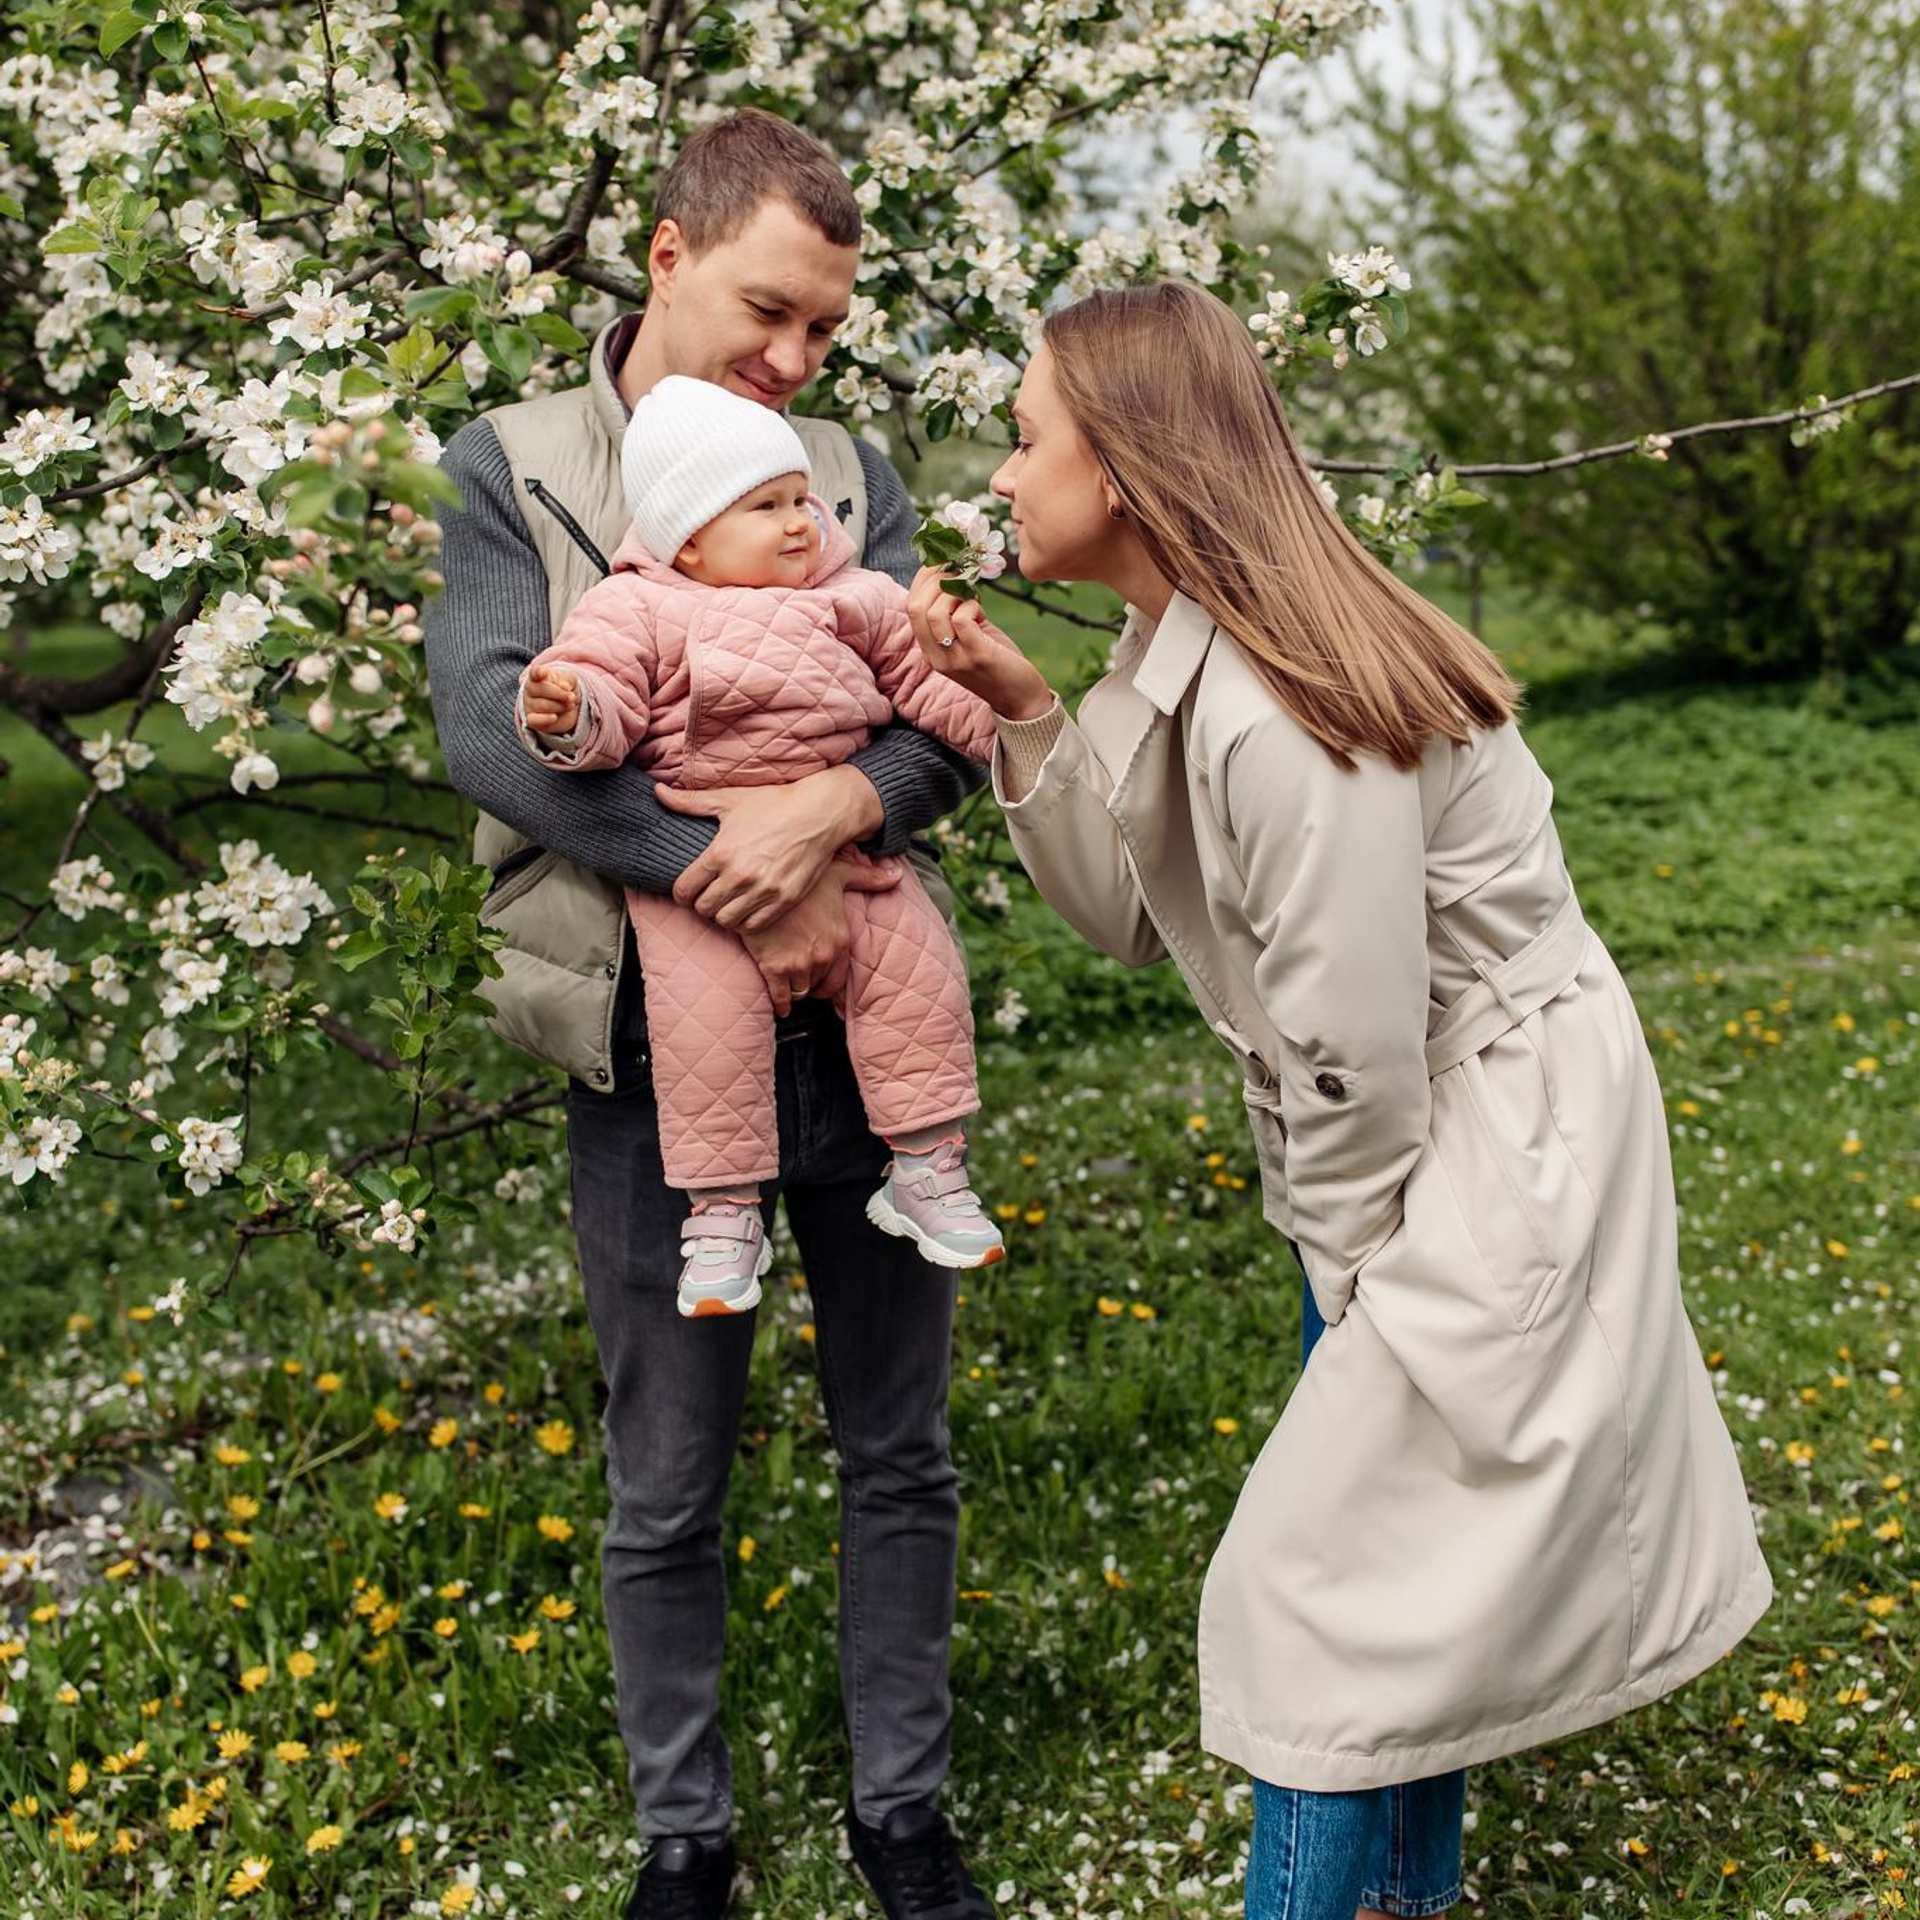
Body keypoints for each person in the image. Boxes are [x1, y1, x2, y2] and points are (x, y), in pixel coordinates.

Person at [905, 279, 1772, 1920]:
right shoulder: (1193, 647)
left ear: (1127, 460)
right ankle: (1401, 1902)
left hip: (1487, 1144)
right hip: (1415, 1142)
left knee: (1321, 1600)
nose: (1002, 478)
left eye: (1027, 441)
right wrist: (1025, 710)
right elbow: (1121, 910)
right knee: (1403, 1573)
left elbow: (1355, 1048)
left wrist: (1355, 1257)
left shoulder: (1285, 705)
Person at [424, 109, 998, 1920]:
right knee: (666, 1476)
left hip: (878, 1042)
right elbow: (494, 731)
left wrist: (835, 818)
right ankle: (687, 1839)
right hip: (652, 1058)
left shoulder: (842, 467)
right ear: (667, 257)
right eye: (770, 309)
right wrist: (720, 862)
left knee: (899, 1453)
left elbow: (923, 716)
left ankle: (901, 1812)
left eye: (825, 327)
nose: (798, 361)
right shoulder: (511, 465)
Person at [515, 374, 1004, 1316]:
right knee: (708, 1025)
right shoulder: (636, 608)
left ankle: (927, 1165)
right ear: (688, 539)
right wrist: (572, 711)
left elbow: (922, 682)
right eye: (765, 507)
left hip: (844, 856)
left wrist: (993, 711)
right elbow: (600, 694)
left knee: (917, 975)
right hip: (706, 859)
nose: (797, 522)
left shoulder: (853, 594)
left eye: (798, 501)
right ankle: (722, 1211)